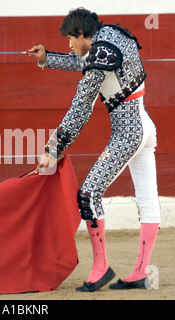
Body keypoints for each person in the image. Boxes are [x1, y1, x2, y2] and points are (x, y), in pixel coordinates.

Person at [29, 8, 161, 292]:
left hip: (129, 131)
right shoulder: (111, 35)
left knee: (88, 194)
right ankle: (140, 272)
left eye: (70, 40)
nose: (70, 46)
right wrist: (47, 59)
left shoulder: (99, 54)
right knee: (147, 199)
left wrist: (54, 148)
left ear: (81, 34)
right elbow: (85, 60)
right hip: (145, 125)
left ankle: (101, 267)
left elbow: (81, 108)